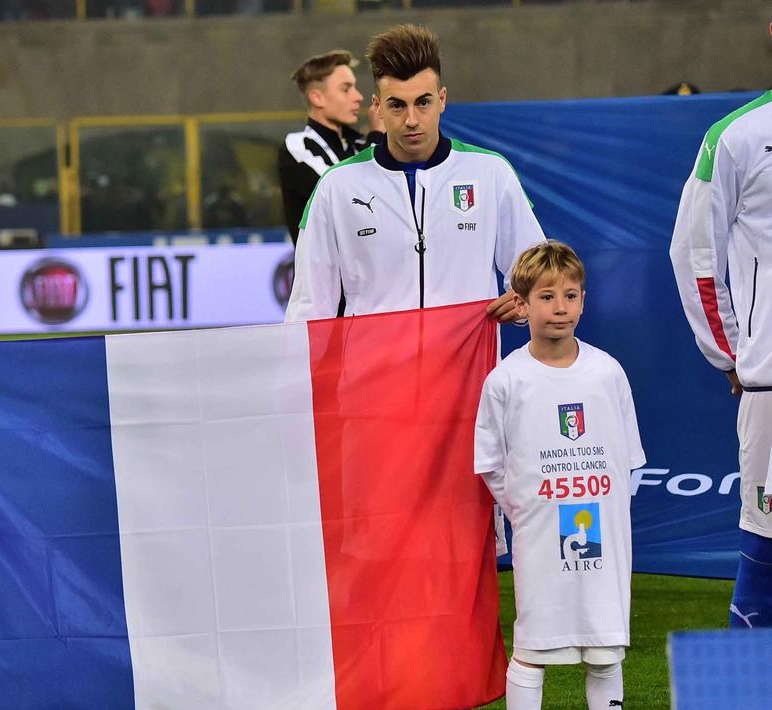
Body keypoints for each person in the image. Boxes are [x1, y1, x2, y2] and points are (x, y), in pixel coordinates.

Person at [474, 241, 645, 710]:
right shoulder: (506, 380)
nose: (560, 308)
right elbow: (489, 462)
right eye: (546, 297)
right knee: (532, 650)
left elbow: (627, 458)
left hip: (602, 536)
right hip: (541, 534)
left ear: (584, 301)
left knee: (606, 651)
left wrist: (604, 509)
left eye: (570, 296)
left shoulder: (607, 372)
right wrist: (527, 509)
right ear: (521, 303)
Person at [284, 24, 545, 323]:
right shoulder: (336, 187)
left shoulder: (491, 173)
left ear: (442, 99)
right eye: (397, 105)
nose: (411, 120)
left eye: (423, 102)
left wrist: (524, 302)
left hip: (468, 368)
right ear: (378, 107)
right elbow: (309, 306)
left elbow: (536, 275)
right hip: (371, 369)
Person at [669, 31, 772, 630]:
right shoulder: (737, 136)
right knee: (765, 556)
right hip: (770, 389)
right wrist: (730, 352)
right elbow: (694, 252)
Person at [278, 49, 384, 246]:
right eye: (346, 89)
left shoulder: (360, 145)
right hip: (323, 274)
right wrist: (376, 137)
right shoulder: (297, 146)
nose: (359, 96)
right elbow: (347, 196)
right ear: (317, 98)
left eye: (355, 87)